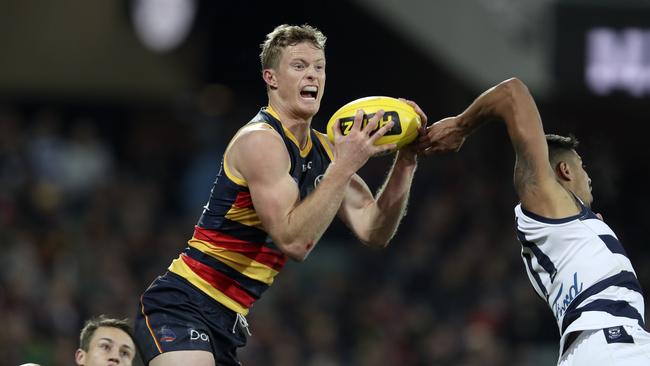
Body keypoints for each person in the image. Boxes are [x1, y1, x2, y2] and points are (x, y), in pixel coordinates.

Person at [134, 24, 429, 366]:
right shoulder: (261, 142)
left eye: (319, 67)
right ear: (271, 78)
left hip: (227, 322)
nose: (313, 75)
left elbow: (374, 229)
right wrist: (345, 165)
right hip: (183, 304)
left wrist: (407, 159)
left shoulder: (325, 151)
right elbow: (293, 241)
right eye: (299, 66)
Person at [418, 77, 649, 365]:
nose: (589, 177)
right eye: (582, 167)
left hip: (595, 347)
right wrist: (461, 125)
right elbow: (512, 93)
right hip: (613, 344)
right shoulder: (545, 201)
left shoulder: (566, 227)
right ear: (564, 169)